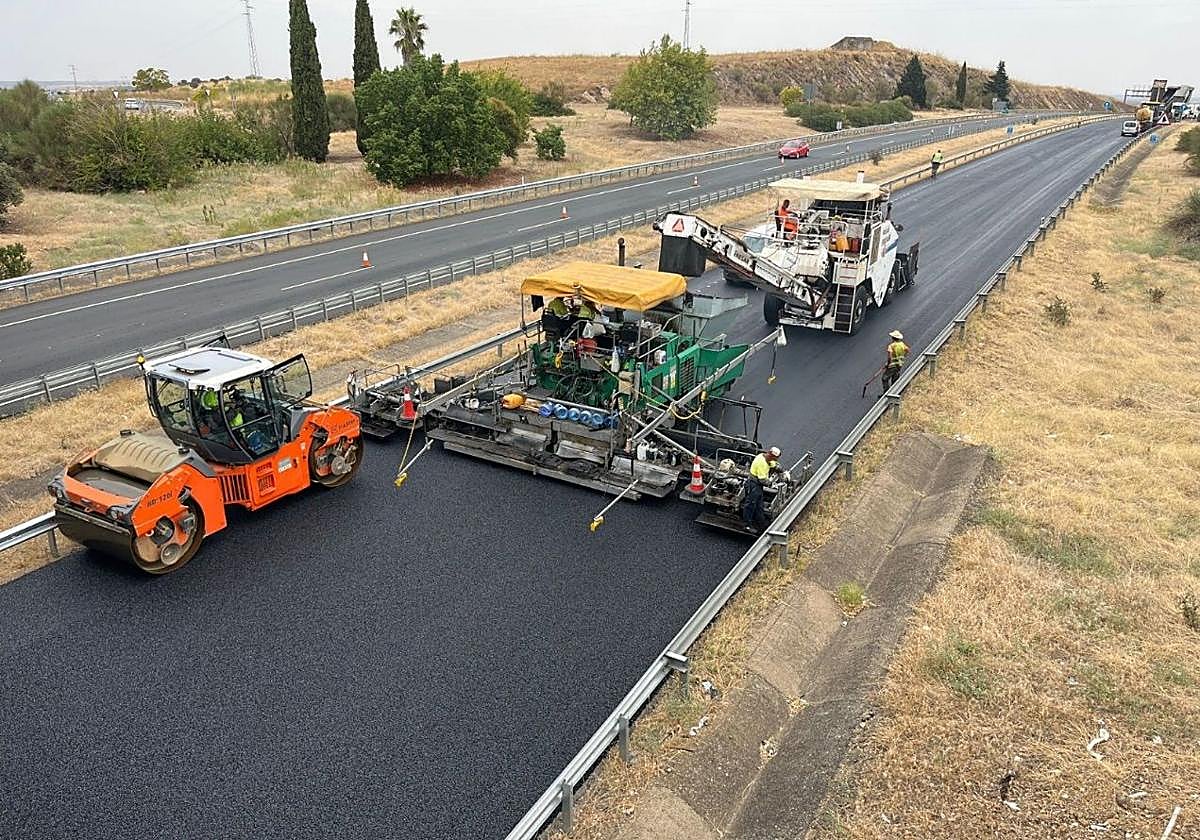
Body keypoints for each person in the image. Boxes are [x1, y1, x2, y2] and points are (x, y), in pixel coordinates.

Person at [742, 446, 781, 531]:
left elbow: (772, 464)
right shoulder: (762, 463)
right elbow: (762, 480)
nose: (776, 460)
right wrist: (771, 483)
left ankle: (761, 524)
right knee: (750, 505)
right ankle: (747, 525)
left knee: (759, 505)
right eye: (775, 458)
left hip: (757, 486)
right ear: (771, 455)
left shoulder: (763, 456)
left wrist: (778, 468)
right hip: (753, 485)